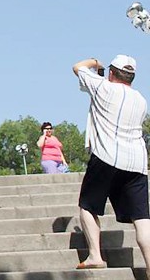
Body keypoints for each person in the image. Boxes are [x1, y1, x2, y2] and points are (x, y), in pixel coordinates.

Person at [73, 55, 150, 273]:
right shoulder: (141, 100)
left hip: (107, 156)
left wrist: (94, 61)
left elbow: (77, 67)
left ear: (111, 73)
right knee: (142, 218)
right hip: (136, 162)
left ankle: (95, 255)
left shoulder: (103, 88)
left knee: (88, 205)